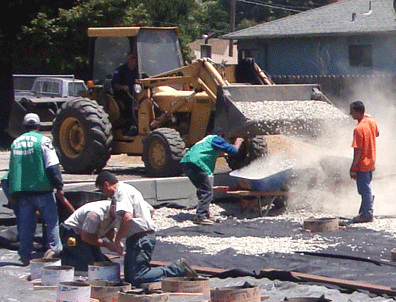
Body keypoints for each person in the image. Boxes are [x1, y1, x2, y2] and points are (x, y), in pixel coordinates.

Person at [95, 171, 197, 286]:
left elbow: (127, 217)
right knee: (129, 277)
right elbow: (150, 209)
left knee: (138, 276)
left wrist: (117, 239)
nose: (105, 194)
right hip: (138, 237)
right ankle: (173, 271)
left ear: (106, 184)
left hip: (140, 238)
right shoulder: (128, 189)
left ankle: (177, 269)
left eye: (102, 190)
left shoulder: (121, 193)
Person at [8, 113, 75, 265]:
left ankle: (25, 254)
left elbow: (12, 169)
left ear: (24, 126)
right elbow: (52, 165)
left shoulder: (16, 142)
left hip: (24, 192)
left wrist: (12, 191)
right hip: (43, 190)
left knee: (25, 223)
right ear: (38, 126)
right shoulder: (43, 141)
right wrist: (59, 185)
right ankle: (54, 251)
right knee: (51, 221)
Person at [180, 131, 244, 225]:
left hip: (187, 163)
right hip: (197, 164)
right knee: (207, 191)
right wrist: (238, 142)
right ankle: (200, 216)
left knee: (202, 189)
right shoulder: (217, 139)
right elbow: (233, 151)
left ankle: (205, 213)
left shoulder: (207, 140)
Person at [59, 200, 119, 271]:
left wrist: (115, 242)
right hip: (72, 232)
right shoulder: (95, 215)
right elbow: (86, 237)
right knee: (89, 266)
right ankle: (60, 256)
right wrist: (107, 245)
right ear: (113, 207)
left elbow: (109, 229)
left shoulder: (117, 214)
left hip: (89, 233)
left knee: (100, 262)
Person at [349, 101, 379, 223]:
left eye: (352, 111)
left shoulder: (358, 129)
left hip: (363, 164)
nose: (350, 113)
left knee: (364, 189)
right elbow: (377, 133)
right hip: (371, 161)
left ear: (358, 112)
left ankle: (367, 214)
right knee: (366, 187)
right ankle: (366, 207)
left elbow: (358, 151)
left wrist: (353, 168)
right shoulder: (371, 121)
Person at [112, 51, 139, 136]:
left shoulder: (139, 72)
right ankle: (130, 127)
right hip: (122, 95)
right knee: (130, 102)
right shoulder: (120, 71)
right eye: (133, 57)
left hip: (135, 94)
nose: (135, 60)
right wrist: (123, 87)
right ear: (128, 58)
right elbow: (115, 85)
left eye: (136, 58)